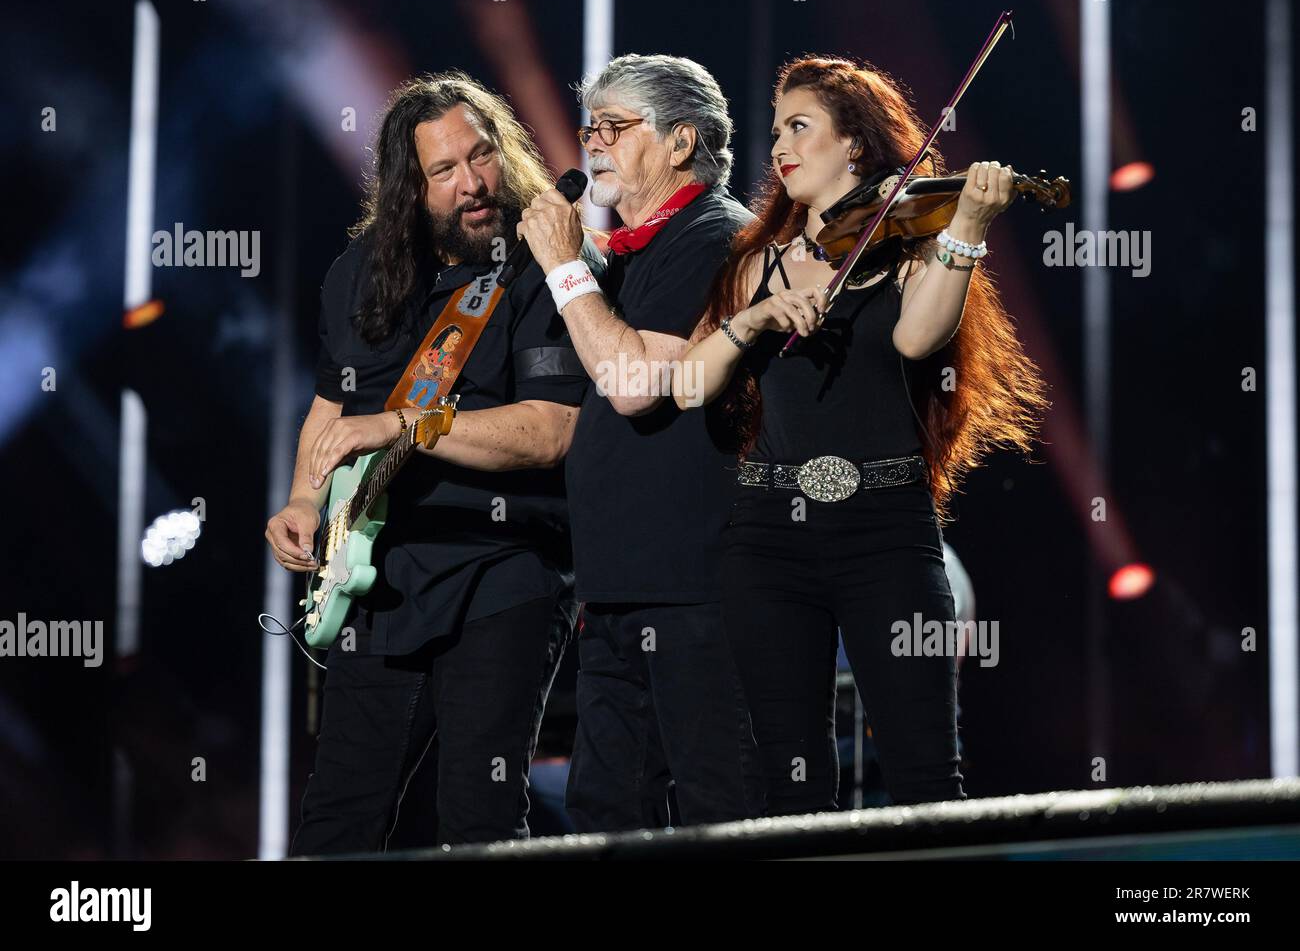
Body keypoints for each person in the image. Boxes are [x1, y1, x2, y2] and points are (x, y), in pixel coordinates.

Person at [673, 55, 1048, 814]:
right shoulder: (757, 266)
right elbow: (687, 383)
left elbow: (917, 340)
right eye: (776, 129)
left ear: (854, 145)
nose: (780, 144)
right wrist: (753, 320)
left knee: (925, 776)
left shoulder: (911, 249)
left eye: (800, 127)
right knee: (793, 782)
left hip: (886, 531)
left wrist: (967, 227)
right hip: (770, 535)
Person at [264, 72, 590, 852]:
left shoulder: (537, 262)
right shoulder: (358, 275)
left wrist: (409, 424)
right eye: (445, 172)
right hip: (374, 579)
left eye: (481, 157)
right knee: (337, 819)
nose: (474, 184)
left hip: (503, 569)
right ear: (410, 187)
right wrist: (305, 501)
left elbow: (551, 430)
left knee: (478, 820)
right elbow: (329, 415)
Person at [517, 54, 764, 830]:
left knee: (718, 805)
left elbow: (632, 383)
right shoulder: (628, 255)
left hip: (697, 588)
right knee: (605, 814)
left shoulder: (714, 233)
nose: (593, 145)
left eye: (615, 128)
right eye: (589, 128)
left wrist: (564, 265)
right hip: (618, 586)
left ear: (681, 140)